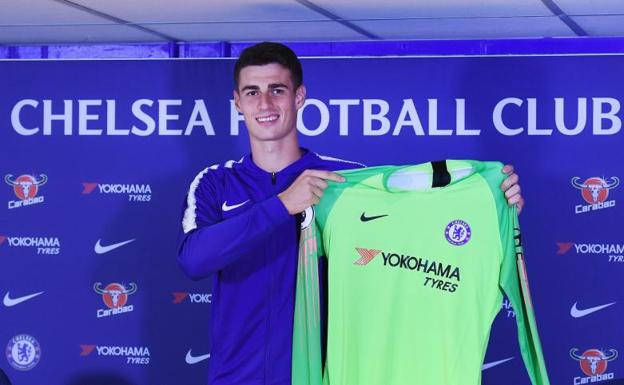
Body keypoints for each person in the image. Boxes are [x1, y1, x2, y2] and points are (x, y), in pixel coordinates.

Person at [177, 42, 524, 385]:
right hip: (237, 376)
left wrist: (488, 206)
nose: (264, 103)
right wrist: (282, 204)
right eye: (252, 92)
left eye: (277, 90)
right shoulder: (214, 183)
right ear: (237, 102)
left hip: (328, 374)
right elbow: (194, 259)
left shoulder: (343, 182)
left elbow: (418, 235)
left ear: (298, 97)